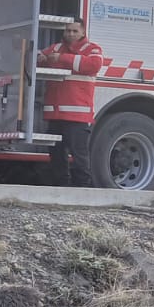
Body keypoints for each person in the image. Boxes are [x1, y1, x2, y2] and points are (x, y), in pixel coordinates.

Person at [37, 18, 104, 188]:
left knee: (79, 155)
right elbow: (39, 57)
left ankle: (82, 190)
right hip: (56, 114)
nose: (71, 34)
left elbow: (93, 65)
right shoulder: (56, 48)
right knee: (57, 155)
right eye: (68, 31)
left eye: (75, 31)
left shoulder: (92, 49)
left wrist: (62, 58)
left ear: (83, 32)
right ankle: (62, 188)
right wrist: (38, 56)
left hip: (77, 115)